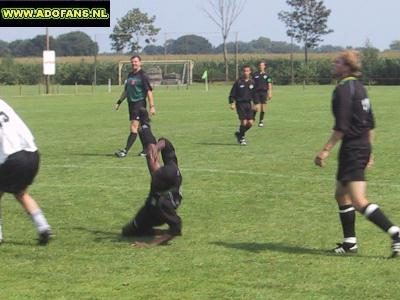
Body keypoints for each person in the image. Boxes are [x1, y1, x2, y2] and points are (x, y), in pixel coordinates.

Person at [314, 50, 400, 258]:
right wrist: (369, 151)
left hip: (352, 148)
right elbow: (370, 124)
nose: (334, 65)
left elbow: (341, 127)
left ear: (347, 66)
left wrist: (325, 150)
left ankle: (395, 233)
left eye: (338, 62)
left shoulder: (344, 90)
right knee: (341, 194)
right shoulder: (360, 88)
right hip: (360, 146)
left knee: (359, 200)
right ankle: (350, 242)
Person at [121, 108, 183, 247]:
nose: (153, 177)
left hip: (154, 213)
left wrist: (149, 245)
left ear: (161, 186)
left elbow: (176, 228)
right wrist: (157, 148)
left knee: (128, 232)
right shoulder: (172, 168)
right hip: (155, 200)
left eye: (155, 178)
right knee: (151, 154)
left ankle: (150, 230)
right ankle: (145, 124)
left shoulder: (164, 203)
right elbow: (166, 142)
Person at [0, 99, 52, 245]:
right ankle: (43, 228)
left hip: (13, 158)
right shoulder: (2, 103)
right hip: (32, 154)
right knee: (21, 193)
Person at [114, 55, 156, 158]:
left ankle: (125, 151)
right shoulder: (130, 75)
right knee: (141, 128)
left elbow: (149, 92)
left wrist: (152, 106)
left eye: (136, 62)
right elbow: (126, 91)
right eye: (132, 62)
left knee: (133, 127)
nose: (134, 63)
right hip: (131, 104)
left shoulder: (143, 75)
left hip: (139, 104)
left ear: (140, 63)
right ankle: (147, 149)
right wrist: (119, 102)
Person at [229, 65, 256, 146]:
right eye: (244, 71)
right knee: (243, 122)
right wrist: (232, 103)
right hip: (240, 104)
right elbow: (232, 94)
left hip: (249, 104)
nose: (246, 72)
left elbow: (255, 94)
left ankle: (239, 134)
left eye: (247, 71)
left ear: (250, 72)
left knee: (250, 123)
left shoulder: (252, 82)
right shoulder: (238, 82)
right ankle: (242, 138)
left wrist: (256, 104)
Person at [253, 60, 272, 127]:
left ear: (264, 66)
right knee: (256, 108)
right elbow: (251, 83)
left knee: (263, 108)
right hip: (256, 92)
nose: (261, 66)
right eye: (260, 65)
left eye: (262, 65)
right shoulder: (255, 75)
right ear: (258, 66)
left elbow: (269, 84)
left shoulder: (267, 75)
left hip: (264, 92)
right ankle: (253, 118)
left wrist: (270, 93)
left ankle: (261, 121)